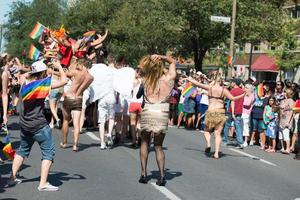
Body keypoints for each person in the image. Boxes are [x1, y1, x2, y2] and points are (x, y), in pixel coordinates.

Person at [8, 60, 68, 191]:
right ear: (43, 72)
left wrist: (36, 70)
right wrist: (59, 67)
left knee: (22, 151)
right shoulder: (43, 84)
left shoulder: (25, 82)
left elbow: (25, 74)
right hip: (39, 125)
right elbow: (64, 81)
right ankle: (43, 183)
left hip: (25, 125)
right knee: (48, 153)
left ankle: (12, 178)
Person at [138, 54, 176, 186]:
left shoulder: (145, 79)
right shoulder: (169, 78)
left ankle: (143, 173)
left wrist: (150, 59)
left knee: (144, 142)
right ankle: (161, 176)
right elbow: (173, 62)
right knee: (158, 146)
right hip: (162, 112)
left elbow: (141, 67)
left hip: (148, 110)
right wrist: (161, 57)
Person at [188, 71, 245, 159]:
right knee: (217, 133)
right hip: (220, 112)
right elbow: (233, 99)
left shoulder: (209, 87)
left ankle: (208, 144)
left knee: (207, 131)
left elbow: (197, 84)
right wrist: (243, 95)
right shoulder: (224, 90)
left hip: (210, 111)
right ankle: (216, 153)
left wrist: (189, 79)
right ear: (221, 81)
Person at [60, 59, 94, 151]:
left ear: (82, 65)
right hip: (78, 99)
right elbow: (82, 88)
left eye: (79, 65)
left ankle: (64, 142)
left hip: (69, 97)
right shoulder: (91, 77)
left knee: (66, 120)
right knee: (76, 123)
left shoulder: (76, 72)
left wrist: (62, 67)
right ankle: (75, 145)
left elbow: (65, 74)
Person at [223, 78, 245, 149]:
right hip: (239, 111)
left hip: (231, 111)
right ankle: (240, 142)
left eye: (232, 82)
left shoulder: (232, 91)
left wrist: (232, 112)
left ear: (235, 83)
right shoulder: (242, 91)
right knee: (238, 127)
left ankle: (225, 141)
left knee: (227, 126)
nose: (231, 83)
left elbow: (232, 101)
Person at [279, 87, 295, 154]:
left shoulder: (291, 101)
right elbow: (280, 110)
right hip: (281, 119)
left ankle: (288, 148)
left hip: (287, 119)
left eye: (285, 92)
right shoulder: (282, 101)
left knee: (286, 134)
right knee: (281, 135)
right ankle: (283, 147)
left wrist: (288, 122)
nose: (284, 93)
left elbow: (291, 112)